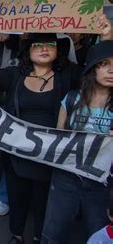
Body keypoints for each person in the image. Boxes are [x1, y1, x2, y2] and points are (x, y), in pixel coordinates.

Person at [0, 15, 111, 244]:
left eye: (49, 44)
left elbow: (97, 70)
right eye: (37, 45)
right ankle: (17, 235)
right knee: (17, 197)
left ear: (58, 51)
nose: (43, 49)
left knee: (45, 203)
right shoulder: (16, 75)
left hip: (51, 159)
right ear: (28, 51)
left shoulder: (68, 75)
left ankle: (40, 237)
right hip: (17, 153)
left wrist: (106, 36)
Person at [42, 39, 113, 243]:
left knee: (97, 235)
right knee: (53, 234)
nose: (111, 71)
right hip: (66, 177)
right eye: (104, 64)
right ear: (92, 68)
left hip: (103, 183)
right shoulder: (72, 99)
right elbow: (58, 136)